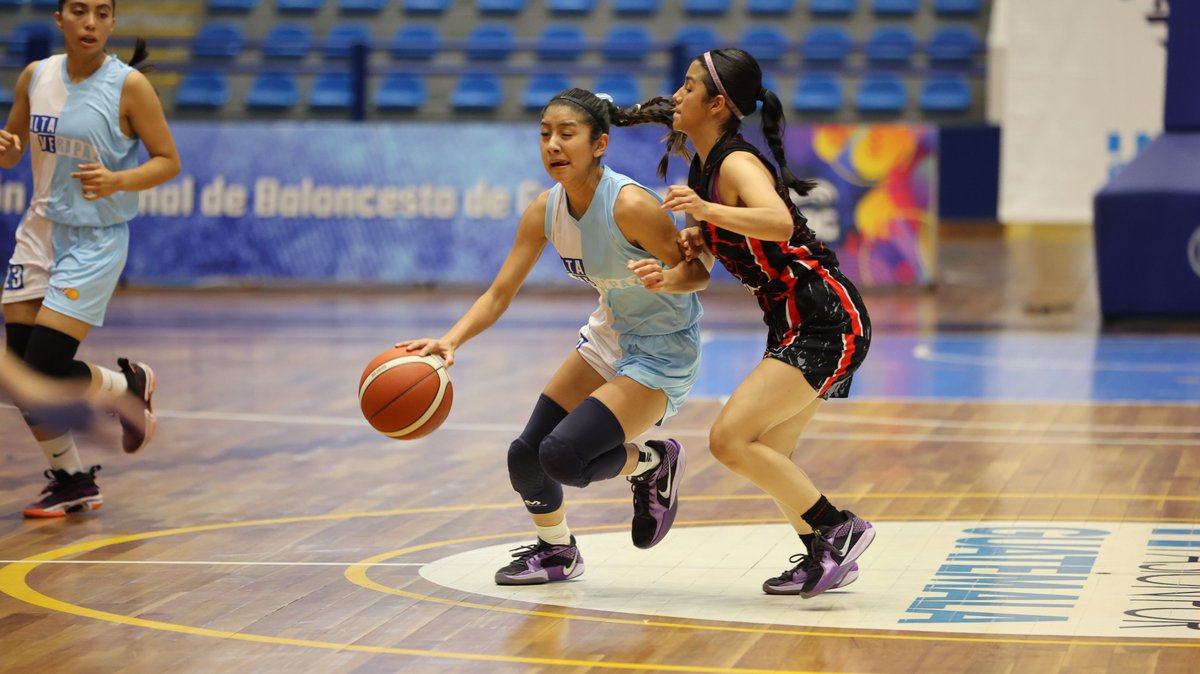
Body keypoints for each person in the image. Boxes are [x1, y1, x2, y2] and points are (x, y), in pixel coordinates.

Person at [399, 88, 710, 585]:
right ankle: (557, 551)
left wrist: (667, 279)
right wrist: (450, 340)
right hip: (609, 335)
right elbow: (499, 293)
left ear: (600, 144)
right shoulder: (545, 209)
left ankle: (653, 461)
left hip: (663, 350)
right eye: (545, 134)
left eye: (567, 134)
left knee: (563, 456)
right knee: (526, 455)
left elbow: (697, 274)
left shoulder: (631, 205)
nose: (553, 145)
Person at [627, 48, 874, 599]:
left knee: (728, 440)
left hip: (824, 317)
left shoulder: (736, 164)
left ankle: (838, 529)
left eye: (689, 86)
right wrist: (668, 277)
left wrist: (709, 214)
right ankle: (823, 552)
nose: (677, 95)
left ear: (717, 104)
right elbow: (699, 273)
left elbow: (778, 222)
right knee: (770, 453)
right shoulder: (701, 170)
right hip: (792, 323)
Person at [0, 0, 181, 517]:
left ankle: (127, 387)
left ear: (113, 23)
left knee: (44, 369)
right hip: (38, 231)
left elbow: (168, 161)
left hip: (94, 240)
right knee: (21, 377)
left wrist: (118, 180)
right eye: (79, 11)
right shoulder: (36, 75)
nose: (91, 23)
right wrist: (5, 149)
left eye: (103, 13)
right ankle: (74, 480)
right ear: (59, 19)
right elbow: (13, 151)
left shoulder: (129, 86)